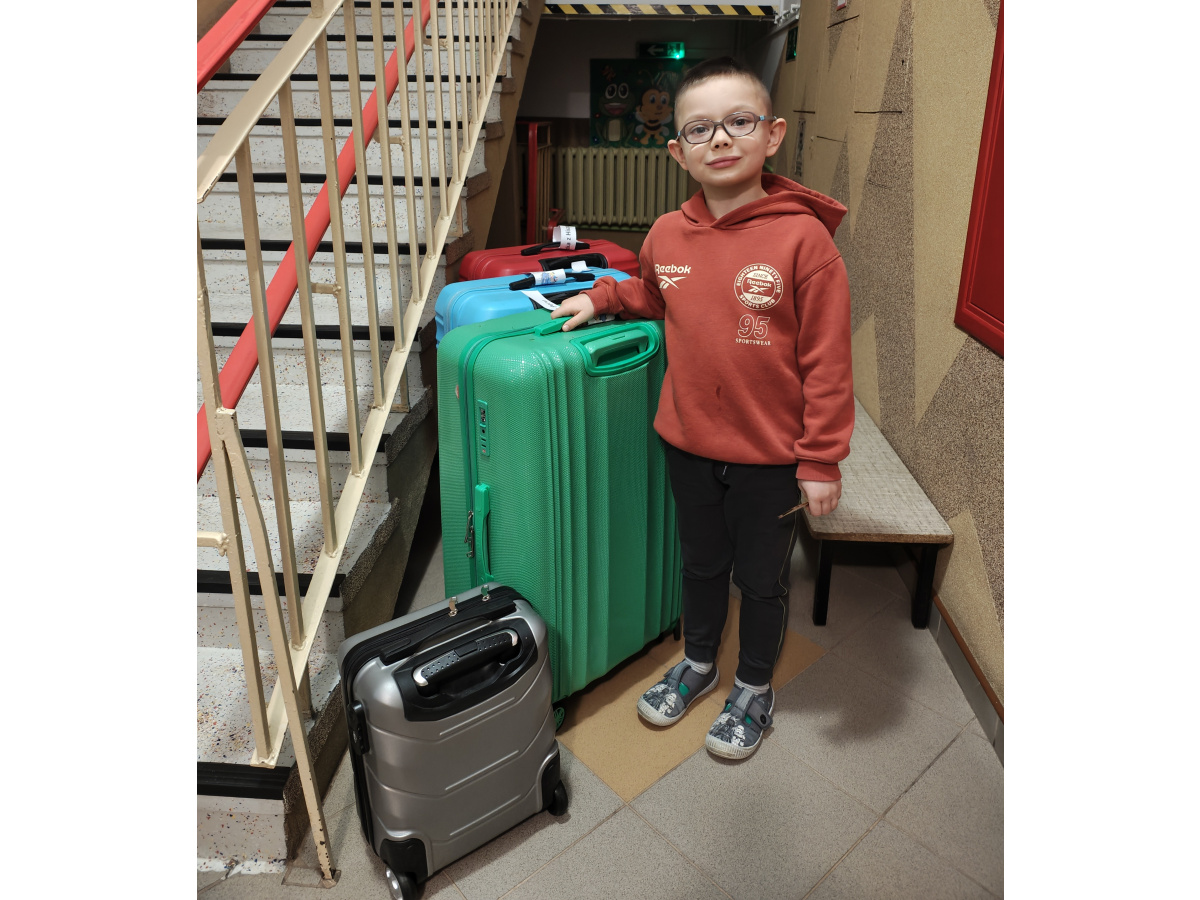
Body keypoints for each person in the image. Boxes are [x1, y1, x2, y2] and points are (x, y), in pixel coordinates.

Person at [551, 56, 854, 760]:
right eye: (700, 128)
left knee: (763, 580)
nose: (719, 138)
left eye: (739, 122)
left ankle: (753, 686)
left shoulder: (803, 240)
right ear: (678, 152)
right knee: (701, 564)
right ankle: (698, 663)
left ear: (772, 135)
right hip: (687, 444)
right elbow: (653, 295)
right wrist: (600, 297)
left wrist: (821, 460)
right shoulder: (666, 233)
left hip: (771, 459)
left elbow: (828, 362)